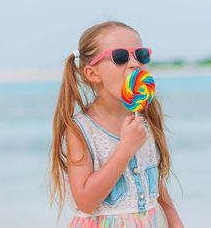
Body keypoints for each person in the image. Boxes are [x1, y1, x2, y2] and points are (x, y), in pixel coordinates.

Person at [48, 21, 184, 228]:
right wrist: (126, 148)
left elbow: (153, 181)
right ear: (92, 74)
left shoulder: (144, 119)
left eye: (140, 55)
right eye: (120, 57)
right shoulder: (80, 129)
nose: (134, 63)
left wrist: (174, 219)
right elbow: (85, 201)